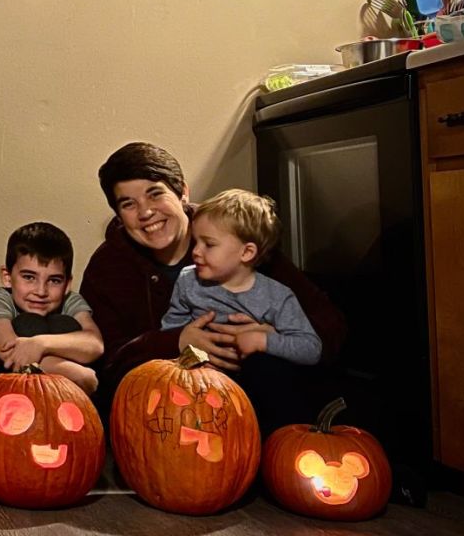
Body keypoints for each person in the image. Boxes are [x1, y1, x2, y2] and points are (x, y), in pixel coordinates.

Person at [80, 142, 346, 433]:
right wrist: (176, 341)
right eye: (128, 204)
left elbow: (329, 325)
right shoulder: (107, 268)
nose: (145, 212)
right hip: (168, 418)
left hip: (263, 404)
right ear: (119, 215)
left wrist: (274, 337)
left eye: (155, 194)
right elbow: (104, 368)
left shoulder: (234, 237)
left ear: (183, 192)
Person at [161, 189, 321, 366]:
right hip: (200, 375)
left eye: (209, 244)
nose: (196, 251)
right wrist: (185, 345)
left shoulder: (277, 296)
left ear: (246, 252)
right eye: (196, 241)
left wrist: (263, 341)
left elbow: (310, 348)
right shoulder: (188, 280)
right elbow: (170, 329)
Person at [0, 222, 104, 394]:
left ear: (67, 284)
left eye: (54, 280)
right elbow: (8, 352)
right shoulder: (1, 299)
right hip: (1, 397)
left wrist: (40, 344)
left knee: (64, 324)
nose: (41, 291)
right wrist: (75, 374)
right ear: (7, 277)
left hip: (61, 398)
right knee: (27, 323)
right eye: (29, 277)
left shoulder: (70, 301)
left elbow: (94, 344)